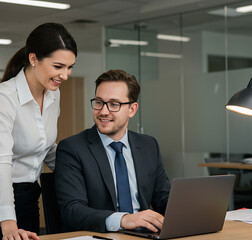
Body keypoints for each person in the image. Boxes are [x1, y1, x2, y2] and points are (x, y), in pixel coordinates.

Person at [0, 22, 77, 240]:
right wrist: (8, 224)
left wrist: (78, 169)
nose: (65, 75)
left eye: (70, 67)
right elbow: (1, 163)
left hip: (28, 194)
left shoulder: (54, 95)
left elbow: (44, 147)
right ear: (33, 59)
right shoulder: (4, 98)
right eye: (58, 66)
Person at [55, 69, 171, 233]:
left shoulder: (148, 145)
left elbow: (164, 199)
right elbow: (72, 211)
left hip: (146, 235)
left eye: (114, 104)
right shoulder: (72, 148)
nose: (103, 111)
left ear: (132, 109)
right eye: (99, 102)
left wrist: (193, 210)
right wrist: (123, 220)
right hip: (102, 235)